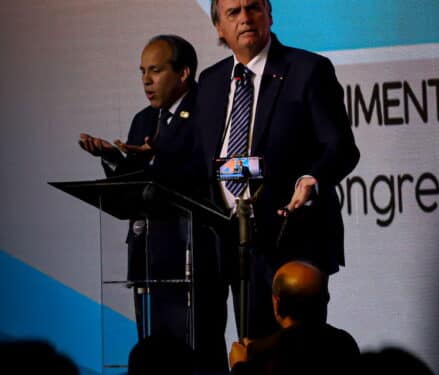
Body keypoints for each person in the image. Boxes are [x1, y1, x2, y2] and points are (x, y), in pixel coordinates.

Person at [193, 0, 360, 365]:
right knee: (252, 355)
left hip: (293, 239)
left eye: (253, 8)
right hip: (235, 245)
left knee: (297, 361)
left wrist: (310, 179)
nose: (245, 18)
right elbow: (203, 161)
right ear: (219, 28)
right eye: (233, 13)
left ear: (269, 14)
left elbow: (341, 147)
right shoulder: (209, 83)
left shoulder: (307, 69)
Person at [77, 35, 204, 355]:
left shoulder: (205, 113)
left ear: (184, 73)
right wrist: (112, 158)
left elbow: (196, 175)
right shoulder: (143, 120)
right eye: (142, 71)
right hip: (146, 255)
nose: (146, 80)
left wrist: (156, 153)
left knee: (190, 353)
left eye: (156, 70)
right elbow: (134, 187)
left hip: (188, 253)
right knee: (151, 351)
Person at [228, 261, 360, 374]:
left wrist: (238, 366)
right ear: (326, 299)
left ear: (276, 302)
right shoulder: (346, 345)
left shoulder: (263, 355)